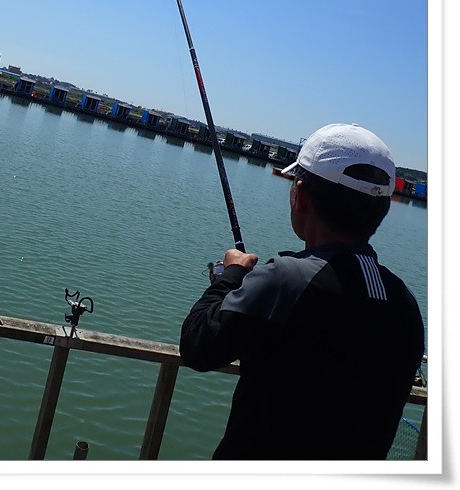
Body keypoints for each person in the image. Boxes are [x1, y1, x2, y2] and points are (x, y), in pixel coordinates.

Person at [179, 123, 425, 460]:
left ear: (300, 196)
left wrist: (230, 274)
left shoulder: (284, 281)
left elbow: (197, 346)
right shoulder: (404, 303)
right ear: (383, 208)